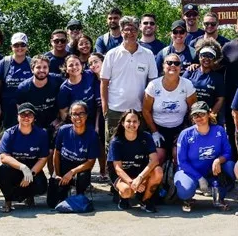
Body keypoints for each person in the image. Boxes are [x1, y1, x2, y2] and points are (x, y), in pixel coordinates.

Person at [100, 16, 159, 148]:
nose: (130, 33)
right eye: (126, 29)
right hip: (115, 109)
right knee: (112, 147)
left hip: (139, 110)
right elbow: (104, 82)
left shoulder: (148, 54)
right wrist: (105, 109)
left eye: (133, 30)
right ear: (121, 31)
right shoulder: (112, 54)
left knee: (138, 148)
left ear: (138, 31)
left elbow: (152, 83)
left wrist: (149, 108)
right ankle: (111, 170)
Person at [175, 102, 235, 212]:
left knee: (230, 165)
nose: (199, 118)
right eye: (195, 115)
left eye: (202, 114)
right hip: (191, 172)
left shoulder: (219, 130)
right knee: (185, 191)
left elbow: (228, 152)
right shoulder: (185, 134)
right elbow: (182, 162)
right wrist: (199, 177)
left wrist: (218, 160)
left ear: (208, 114)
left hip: (212, 171)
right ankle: (187, 199)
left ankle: (220, 194)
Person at [143, 54, 197, 167]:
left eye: (176, 63)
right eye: (169, 63)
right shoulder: (153, 85)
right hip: (158, 127)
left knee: (178, 155)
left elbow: (193, 110)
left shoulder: (187, 85)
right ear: (163, 66)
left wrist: (186, 130)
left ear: (180, 67)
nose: (173, 65)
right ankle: (156, 182)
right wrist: (154, 132)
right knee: (158, 157)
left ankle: (178, 181)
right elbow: (146, 110)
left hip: (179, 127)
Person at [14, 55, 66, 170]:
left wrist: (61, 119)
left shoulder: (57, 81)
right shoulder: (23, 88)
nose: (42, 70)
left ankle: (54, 177)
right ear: (32, 69)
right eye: (38, 67)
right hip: (33, 124)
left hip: (54, 122)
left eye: (45, 67)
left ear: (49, 68)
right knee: (36, 153)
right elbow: (20, 111)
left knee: (53, 152)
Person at [0, 103, 49, 212]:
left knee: (41, 186)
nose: (26, 117)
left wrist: (31, 174)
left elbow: (43, 159)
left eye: (29, 115)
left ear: (34, 118)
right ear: (17, 117)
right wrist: (23, 167)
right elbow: (4, 157)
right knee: (2, 170)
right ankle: (8, 201)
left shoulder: (42, 134)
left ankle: (28, 196)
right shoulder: (9, 133)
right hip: (15, 167)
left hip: (33, 167)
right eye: (22, 114)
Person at [107, 110, 163, 212]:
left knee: (158, 171)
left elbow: (154, 160)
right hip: (122, 174)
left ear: (139, 123)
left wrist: (140, 178)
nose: (132, 124)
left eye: (135, 121)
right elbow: (118, 169)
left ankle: (145, 200)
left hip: (139, 172)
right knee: (126, 191)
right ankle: (124, 199)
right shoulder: (116, 141)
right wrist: (132, 182)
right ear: (123, 123)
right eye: (128, 121)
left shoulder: (146, 137)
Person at [48, 102, 100, 209]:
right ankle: (64, 190)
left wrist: (72, 172)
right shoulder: (63, 130)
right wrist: (57, 174)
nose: (78, 117)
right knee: (52, 204)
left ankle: (79, 194)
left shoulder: (92, 135)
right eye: (74, 114)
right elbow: (56, 153)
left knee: (83, 176)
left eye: (81, 113)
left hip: (80, 169)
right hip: (63, 166)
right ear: (70, 116)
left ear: (86, 115)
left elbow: (91, 162)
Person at [0, 32, 33, 131]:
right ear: (11, 47)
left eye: (23, 45)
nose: (19, 48)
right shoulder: (4, 63)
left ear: (27, 46)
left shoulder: (32, 63)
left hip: (27, 109)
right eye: (16, 45)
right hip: (7, 109)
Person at [186, 41, 226, 121]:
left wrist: (211, 116)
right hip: (188, 116)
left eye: (210, 56)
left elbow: (220, 99)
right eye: (204, 55)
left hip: (207, 117)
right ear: (199, 57)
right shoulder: (190, 72)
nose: (206, 58)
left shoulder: (218, 77)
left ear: (214, 59)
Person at [87, 53, 109, 182]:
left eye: (95, 62)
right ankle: (102, 170)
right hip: (99, 114)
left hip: (115, 113)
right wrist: (96, 124)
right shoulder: (92, 81)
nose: (93, 65)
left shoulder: (113, 77)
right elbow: (97, 107)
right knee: (100, 143)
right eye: (90, 64)